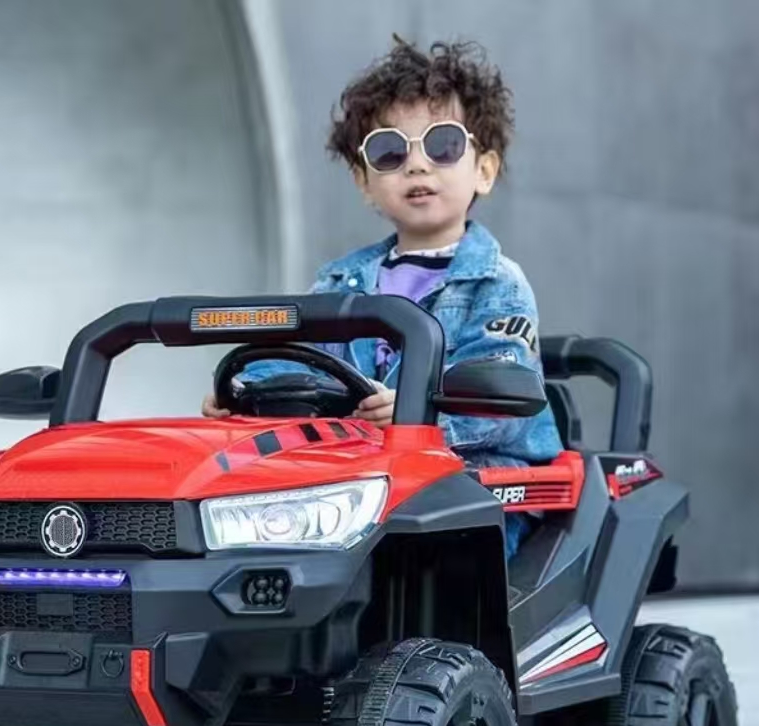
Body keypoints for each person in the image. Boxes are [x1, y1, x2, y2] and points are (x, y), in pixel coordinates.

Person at [202, 37, 563, 557]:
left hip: (473, 484)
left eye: (442, 146)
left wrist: (421, 412)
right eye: (390, 152)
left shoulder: (496, 283)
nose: (416, 165)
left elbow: (499, 402)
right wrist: (245, 394)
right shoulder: (339, 282)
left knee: (433, 518)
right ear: (364, 181)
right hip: (357, 483)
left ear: (483, 170)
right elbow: (297, 359)